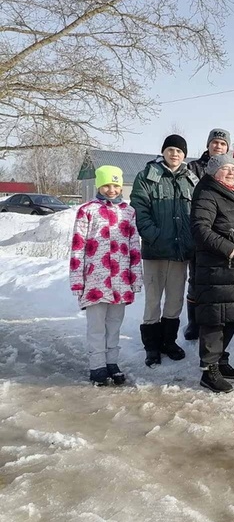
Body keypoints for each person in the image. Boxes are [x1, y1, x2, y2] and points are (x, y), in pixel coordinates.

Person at [70, 165, 143, 386]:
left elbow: (134, 247)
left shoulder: (128, 212)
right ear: (99, 185)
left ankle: (112, 362)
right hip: (94, 281)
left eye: (116, 185)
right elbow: (78, 246)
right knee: (96, 326)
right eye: (107, 185)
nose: (111, 189)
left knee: (114, 325)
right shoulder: (87, 211)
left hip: (120, 281)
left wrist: (135, 277)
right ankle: (97, 366)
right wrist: (77, 280)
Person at [130, 134, 198, 367]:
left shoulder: (191, 179)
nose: (175, 154)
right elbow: (139, 208)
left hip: (180, 252)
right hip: (156, 250)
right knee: (152, 300)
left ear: (184, 155)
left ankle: (169, 341)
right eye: (170, 150)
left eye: (179, 151)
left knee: (175, 300)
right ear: (163, 152)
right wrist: (153, 235)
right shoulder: (147, 177)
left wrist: (191, 241)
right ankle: (151, 346)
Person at [191, 154, 234, 393]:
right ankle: (209, 371)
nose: (231, 172)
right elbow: (200, 229)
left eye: (232, 168)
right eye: (224, 168)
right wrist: (228, 249)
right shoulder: (208, 192)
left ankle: (221, 361)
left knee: (230, 316)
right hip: (217, 269)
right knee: (215, 320)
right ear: (213, 172)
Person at [185, 128, 232, 340]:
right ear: (208, 144)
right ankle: (193, 323)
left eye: (223, 144)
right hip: (200, 230)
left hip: (221, 234)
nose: (218, 146)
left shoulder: (230, 170)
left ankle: (214, 323)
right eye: (215, 142)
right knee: (196, 280)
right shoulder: (194, 167)